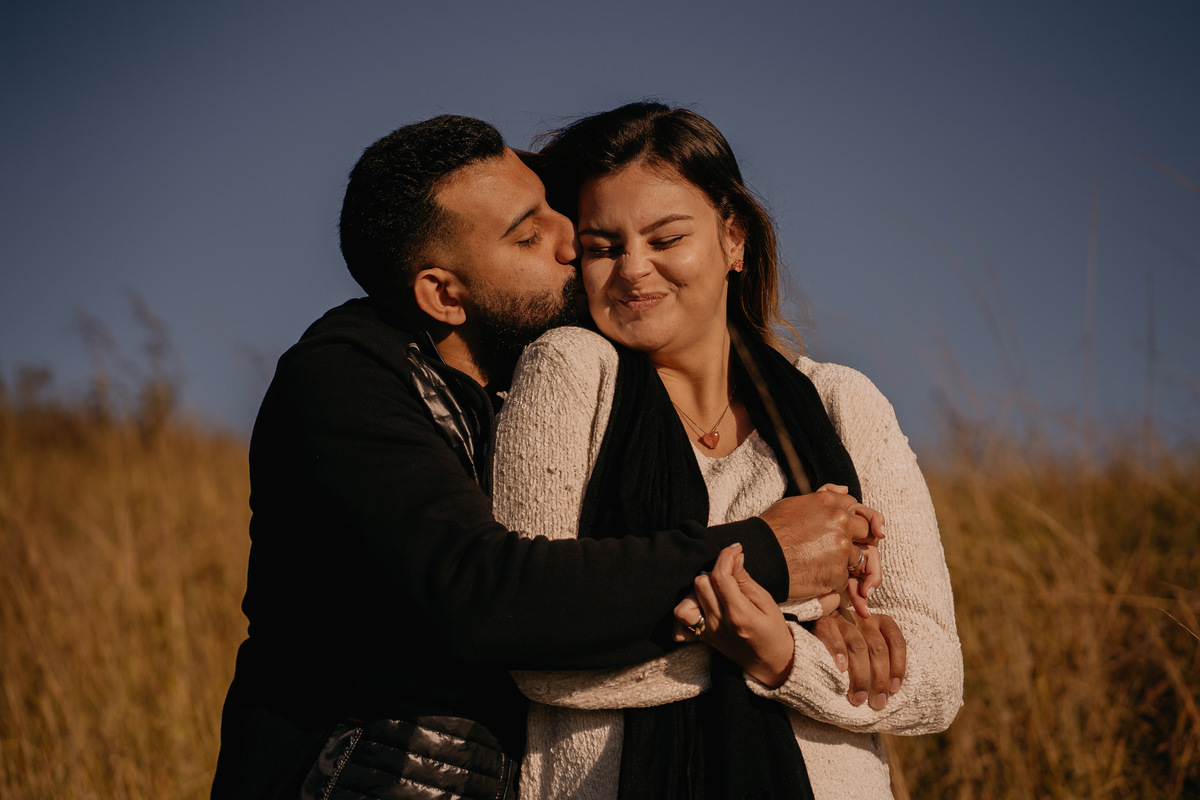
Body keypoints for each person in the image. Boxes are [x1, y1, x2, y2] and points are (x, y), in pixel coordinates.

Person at [210, 114, 890, 800]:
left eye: (553, 210)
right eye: (528, 235)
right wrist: (769, 558)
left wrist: (800, 625)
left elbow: (611, 575)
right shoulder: (344, 382)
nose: (573, 241)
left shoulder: (534, 385)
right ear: (444, 294)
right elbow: (493, 595)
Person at [491, 102, 963, 799]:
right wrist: (788, 623)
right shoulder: (569, 368)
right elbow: (533, 650)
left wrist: (782, 655)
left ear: (733, 238)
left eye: (666, 237)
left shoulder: (840, 404)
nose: (634, 270)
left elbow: (936, 678)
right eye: (603, 246)